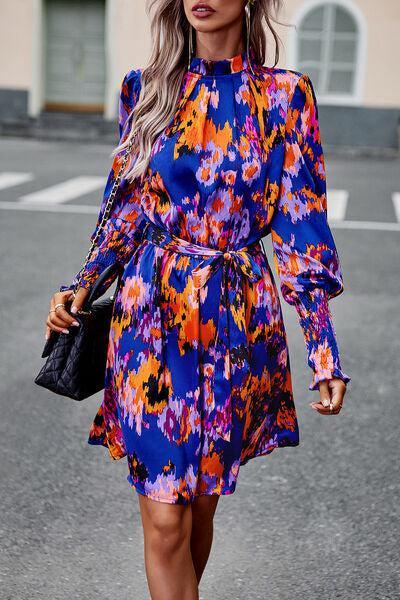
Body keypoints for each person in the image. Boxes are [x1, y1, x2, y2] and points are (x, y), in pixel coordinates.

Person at [44, 1, 351, 598]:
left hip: (236, 317)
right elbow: (125, 209)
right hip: (151, 312)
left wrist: (323, 348)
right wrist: (82, 285)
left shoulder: (285, 97)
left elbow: (300, 223)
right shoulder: (146, 90)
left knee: (199, 510)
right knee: (164, 518)